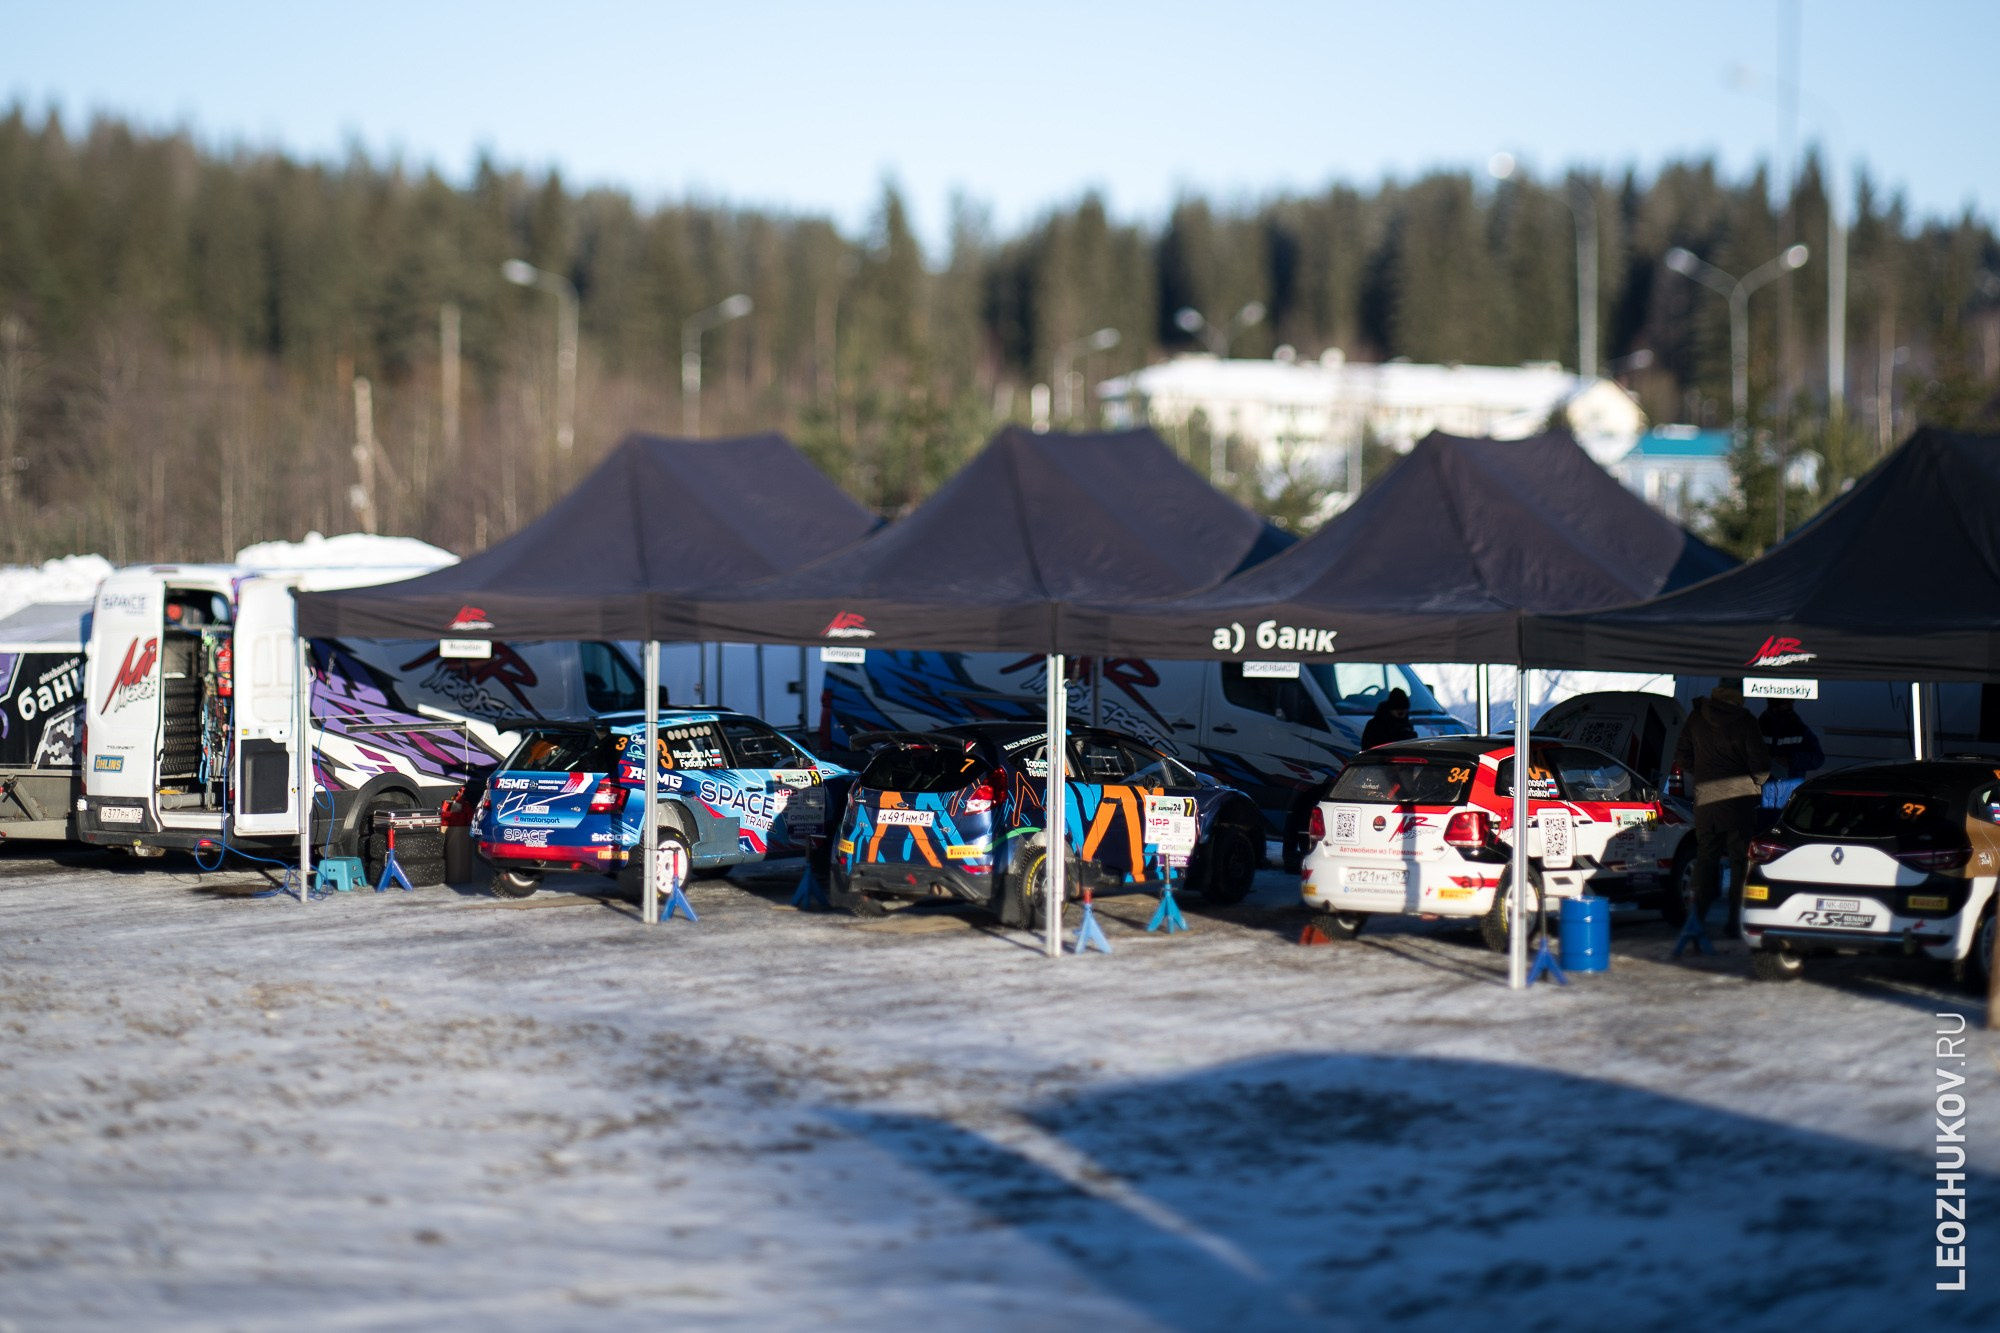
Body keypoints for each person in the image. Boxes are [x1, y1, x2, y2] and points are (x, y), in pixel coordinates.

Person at [1673, 681, 1770, 934]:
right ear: (1739, 696)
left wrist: (1703, 775)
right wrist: (1756, 782)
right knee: (1739, 863)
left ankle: (1696, 920)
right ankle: (1734, 924)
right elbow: (1760, 767)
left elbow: (1681, 757)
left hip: (1706, 800)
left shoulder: (1697, 716)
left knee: (1705, 859)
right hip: (1739, 803)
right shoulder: (1746, 721)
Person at [1758, 698, 1823, 780]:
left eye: (1788, 702)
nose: (1788, 705)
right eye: (1782, 703)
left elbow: (1817, 758)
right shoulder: (1758, 728)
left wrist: (1791, 760)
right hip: (1764, 786)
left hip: (1789, 786)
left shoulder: (1800, 730)